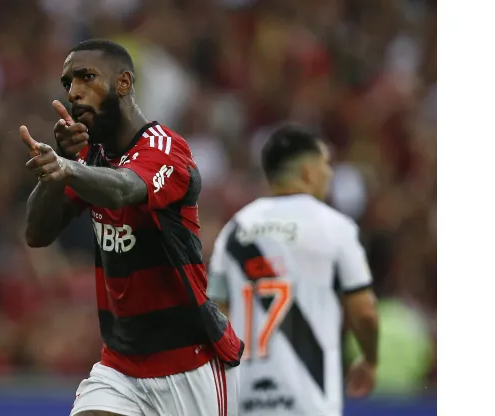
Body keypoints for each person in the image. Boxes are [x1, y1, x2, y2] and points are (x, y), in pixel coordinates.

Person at [20, 39, 243, 416]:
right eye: (67, 83)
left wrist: (70, 168)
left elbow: (124, 189)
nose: (74, 92)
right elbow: (37, 234)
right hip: (121, 366)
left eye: (86, 77)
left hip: (190, 361)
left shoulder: (165, 148)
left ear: (123, 83)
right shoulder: (91, 158)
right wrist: (56, 172)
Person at [206, 125, 379, 416]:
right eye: (325, 164)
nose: (329, 173)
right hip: (309, 402)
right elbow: (363, 312)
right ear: (308, 171)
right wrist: (369, 359)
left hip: (247, 400)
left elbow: (215, 318)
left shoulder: (235, 230)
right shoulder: (335, 228)